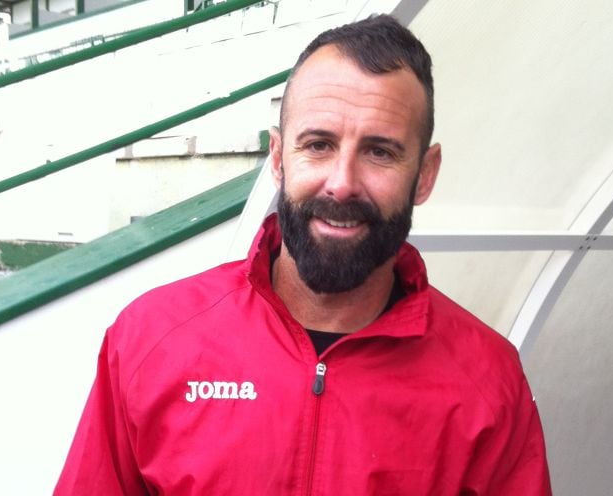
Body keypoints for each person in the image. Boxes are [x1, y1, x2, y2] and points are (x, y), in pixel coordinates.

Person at [55, 14, 551, 495]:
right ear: (277, 158)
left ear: (424, 173)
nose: (342, 184)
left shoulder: (488, 383)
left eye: (380, 151)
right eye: (318, 144)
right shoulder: (150, 340)